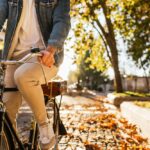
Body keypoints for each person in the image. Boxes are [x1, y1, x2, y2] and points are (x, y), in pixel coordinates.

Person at [0, 0, 70, 149]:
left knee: (23, 76)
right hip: (13, 57)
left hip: (44, 56)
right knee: (6, 110)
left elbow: (62, 22)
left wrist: (51, 50)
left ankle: (44, 126)